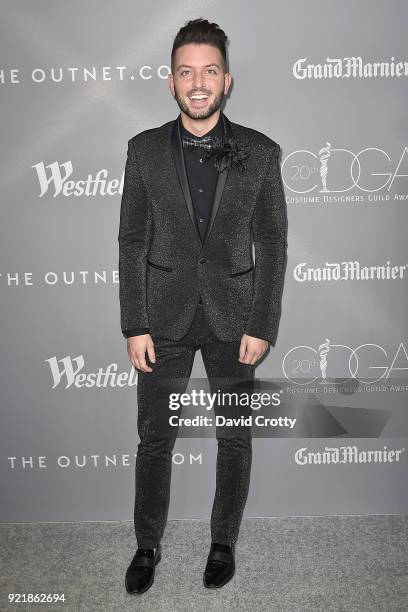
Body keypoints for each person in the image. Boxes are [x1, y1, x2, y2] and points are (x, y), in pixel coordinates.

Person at [118, 18, 288, 594]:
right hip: (161, 318)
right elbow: (132, 241)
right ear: (170, 82)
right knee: (154, 439)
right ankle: (147, 544)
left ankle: (223, 542)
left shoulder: (261, 153)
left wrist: (263, 323)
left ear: (227, 80)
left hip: (234, 317)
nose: (198, 82)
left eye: (208, 71)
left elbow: (273, 241)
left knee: (234, 437)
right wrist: (134, 322)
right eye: (186, 71)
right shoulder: (142, 152)